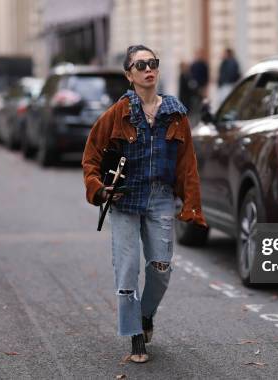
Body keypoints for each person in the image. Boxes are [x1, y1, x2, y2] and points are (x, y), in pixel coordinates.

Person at [81, 45, 207, 363]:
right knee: (127, 271)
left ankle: (145, 315)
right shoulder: (117, 114)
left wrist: (192, 204)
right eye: (140, 65)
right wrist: (98, 189)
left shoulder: (175, 114)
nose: (148, 69)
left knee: (161, 269)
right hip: (124, 200)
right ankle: (135, 334)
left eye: (153, 63)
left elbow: (187, 164)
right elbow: (91, 156)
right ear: (129, 74)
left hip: (161, 198)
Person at [189, 49, 209, 118]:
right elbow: (190, 76)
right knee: (195, 101)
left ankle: (202, 114)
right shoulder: (193, 65)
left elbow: (206, 76)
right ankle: (195, 113)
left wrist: (205, 87)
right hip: (194, 87)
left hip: (202, 86)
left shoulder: (204, 64)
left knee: (202, 101)